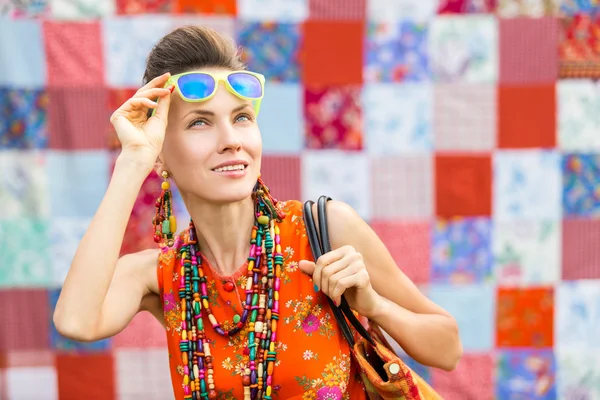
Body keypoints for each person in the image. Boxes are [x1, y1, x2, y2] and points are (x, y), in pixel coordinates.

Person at [53, 25, 462, 400]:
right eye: (200, 123)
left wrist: (373, 305)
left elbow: (447, 347)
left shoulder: (324, 229)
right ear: (162, 154)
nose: (232, 140)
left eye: (242, 117)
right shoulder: (162, 275)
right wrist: (134, 160)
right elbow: (76, 321)